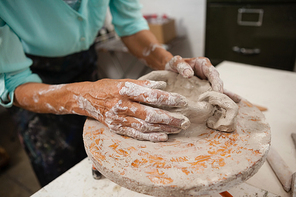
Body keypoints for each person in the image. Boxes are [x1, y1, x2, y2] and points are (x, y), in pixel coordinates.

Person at [0, 0, 238, 186]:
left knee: (101, 166)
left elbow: (132, 28)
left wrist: (169, 62)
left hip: (86, 69)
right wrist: (86, 97)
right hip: (36, 84)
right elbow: (13, 81)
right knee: (65, 176)